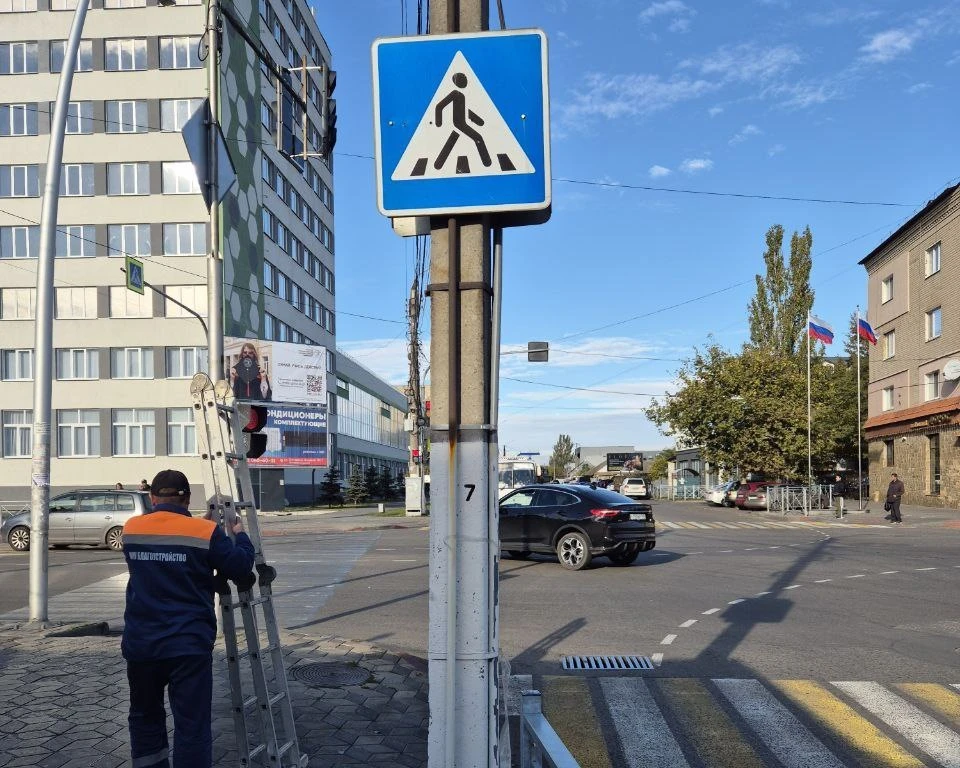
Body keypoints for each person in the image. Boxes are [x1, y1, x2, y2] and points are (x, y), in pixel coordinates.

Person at [122, 469, 255, 768]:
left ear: (152, 497)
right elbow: (240, 568)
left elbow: (163, 555)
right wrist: (240, 534)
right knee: (191, 724)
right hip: (188, 646)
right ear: (188, 498)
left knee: (144, 716)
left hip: (142, 645)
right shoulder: (204, 534)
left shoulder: (131, 529)